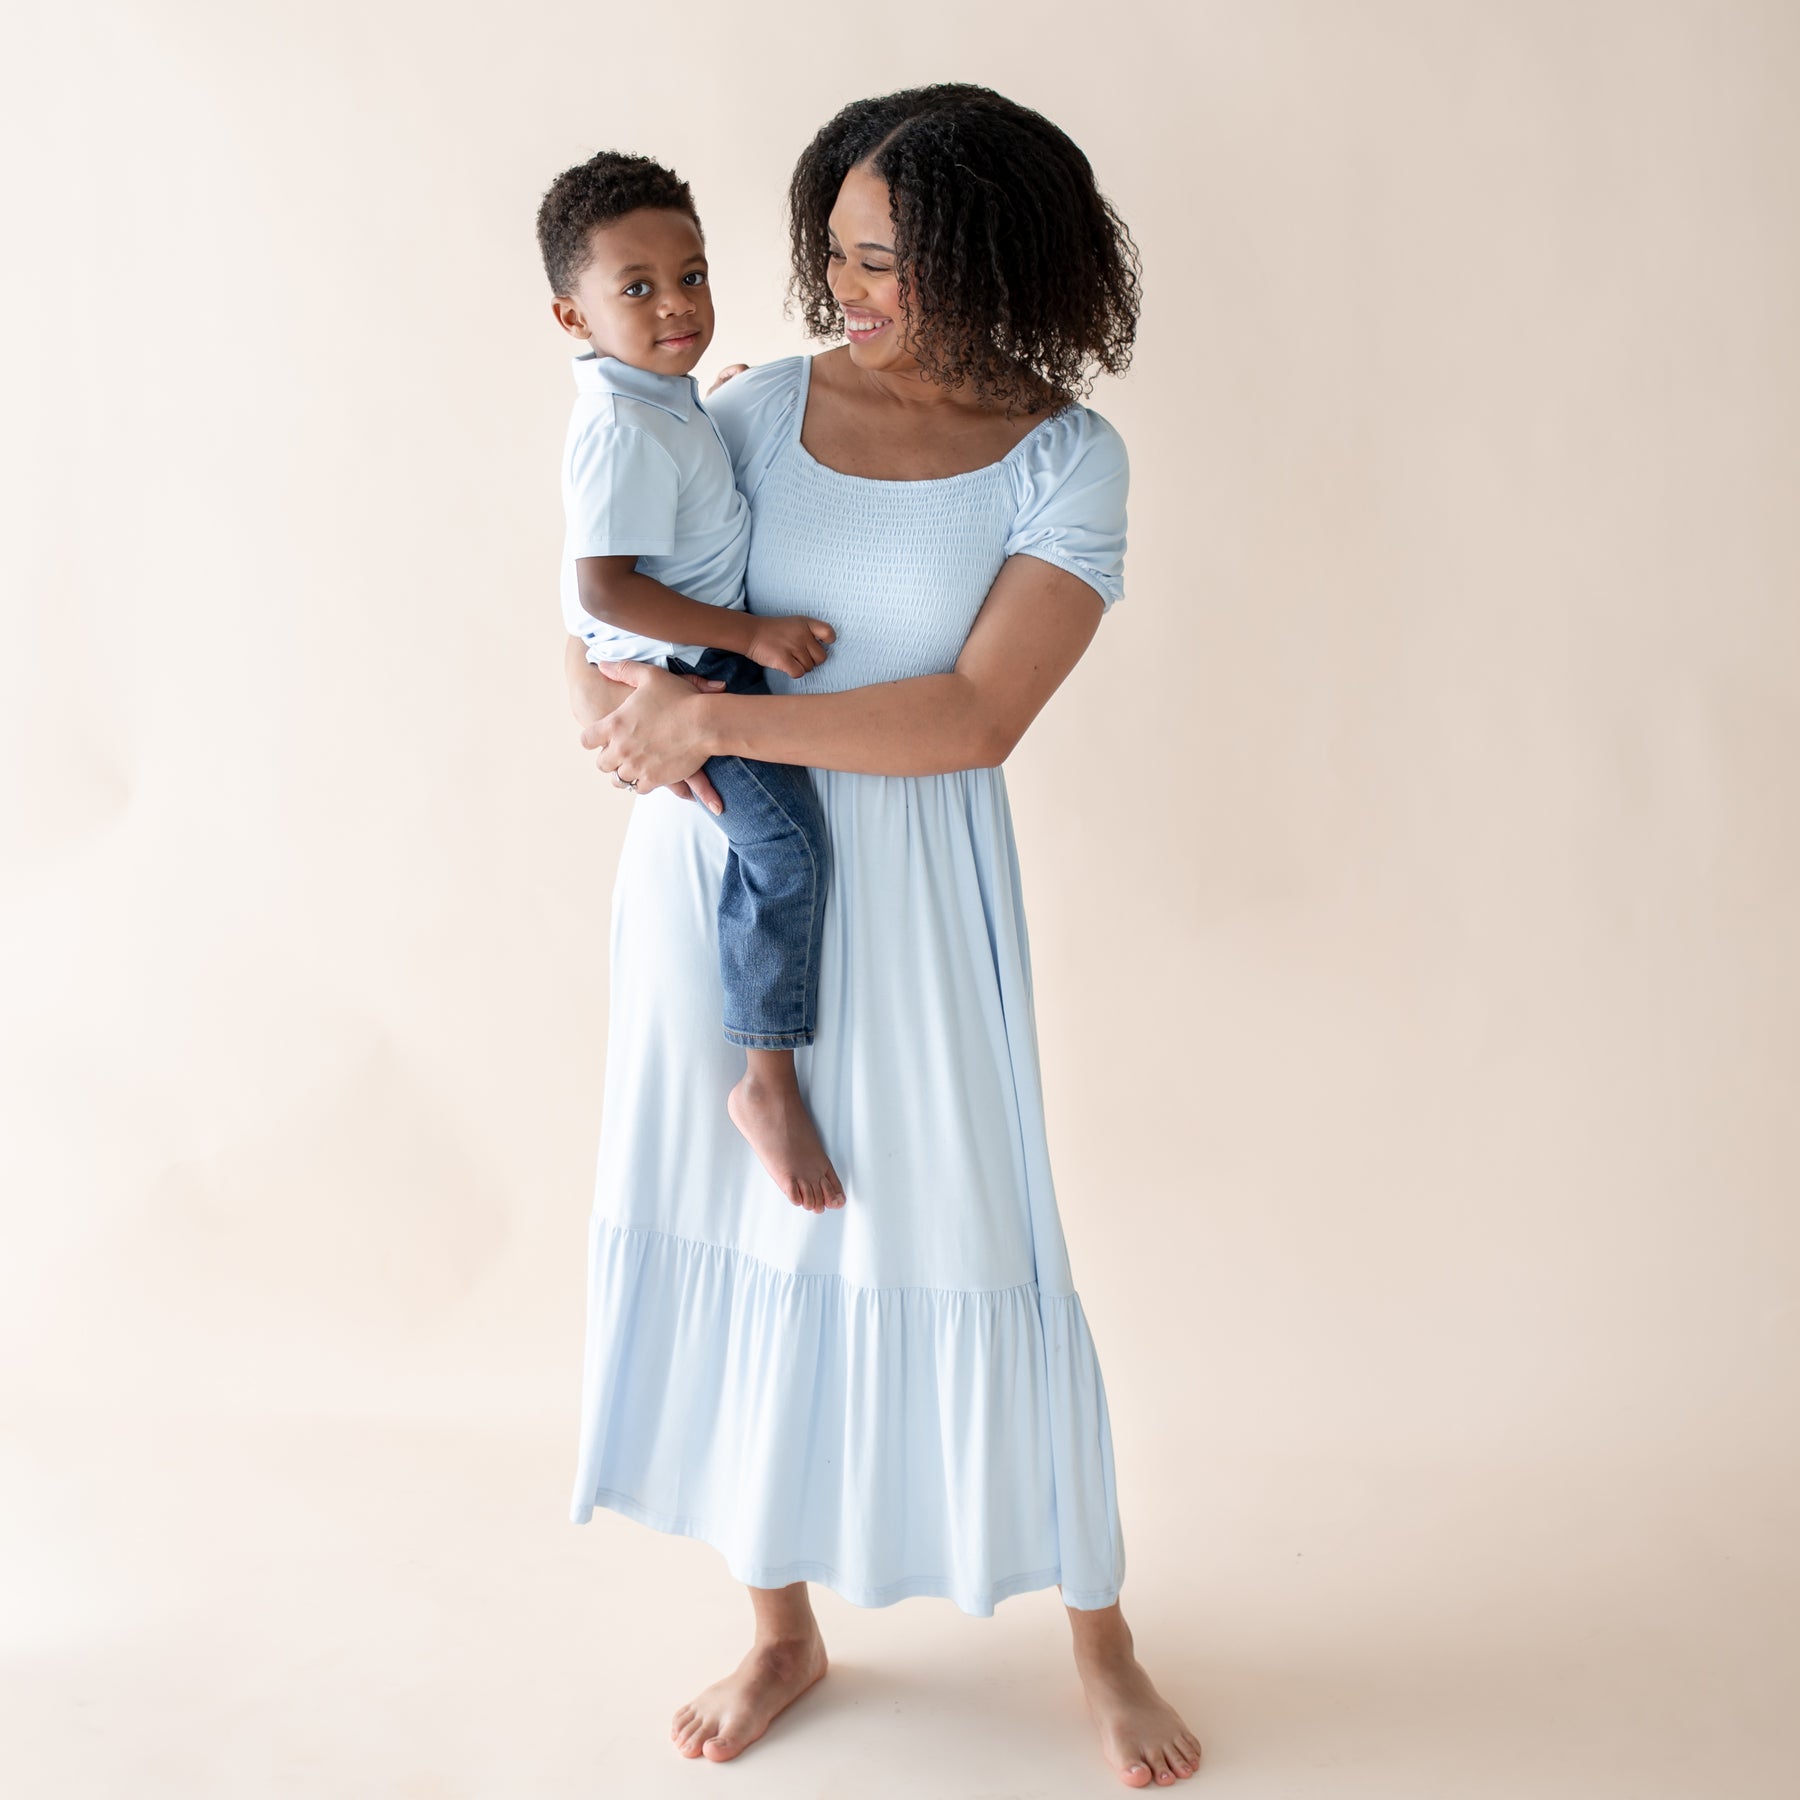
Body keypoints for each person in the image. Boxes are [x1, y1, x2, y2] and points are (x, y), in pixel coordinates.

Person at [565, 84, 1204, 1789]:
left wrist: (712, 723)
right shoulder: (751, 410)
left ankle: (1102, 1638)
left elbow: (976, 715)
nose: (856, 293)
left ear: (1003, 265)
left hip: (916, 904)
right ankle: (779, 1628)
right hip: (715, 877)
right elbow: (607, 590)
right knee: (736, 1230)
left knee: (980, 1242)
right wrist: (633, 723)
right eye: (842, 255)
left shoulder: (1067, 460)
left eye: (898, 264)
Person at [537, 149, 845, 1211]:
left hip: (686, 651)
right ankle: (766, 1080)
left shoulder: (658, 400)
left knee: (780, 843)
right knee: (787, 851)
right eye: (637, 289)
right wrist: (750, 638)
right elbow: (609, 588)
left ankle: (768, 1067)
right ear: (573, 317)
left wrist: (708, 411)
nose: (677, 304)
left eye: (693, 275)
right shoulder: (623, 425)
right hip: (689, 666)